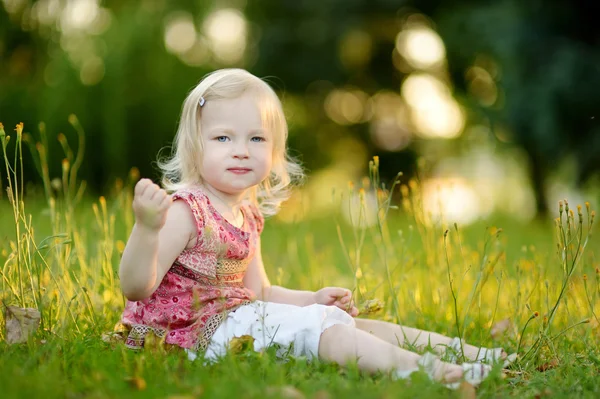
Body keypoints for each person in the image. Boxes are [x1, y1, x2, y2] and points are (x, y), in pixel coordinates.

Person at [118, 68, 512, 388]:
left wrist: (311, 298)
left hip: (235, 321)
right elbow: (136, 287)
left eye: (256, 138)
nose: (241, 149)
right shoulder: (187, 211)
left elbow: (260, 292)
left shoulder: (248, 214)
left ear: (273, 152)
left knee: (349, 322)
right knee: (326, 330)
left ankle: (471, 352)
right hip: (189, 336)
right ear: (194, 147)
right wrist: (146, 229)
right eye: (223, 137)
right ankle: (429, 372)